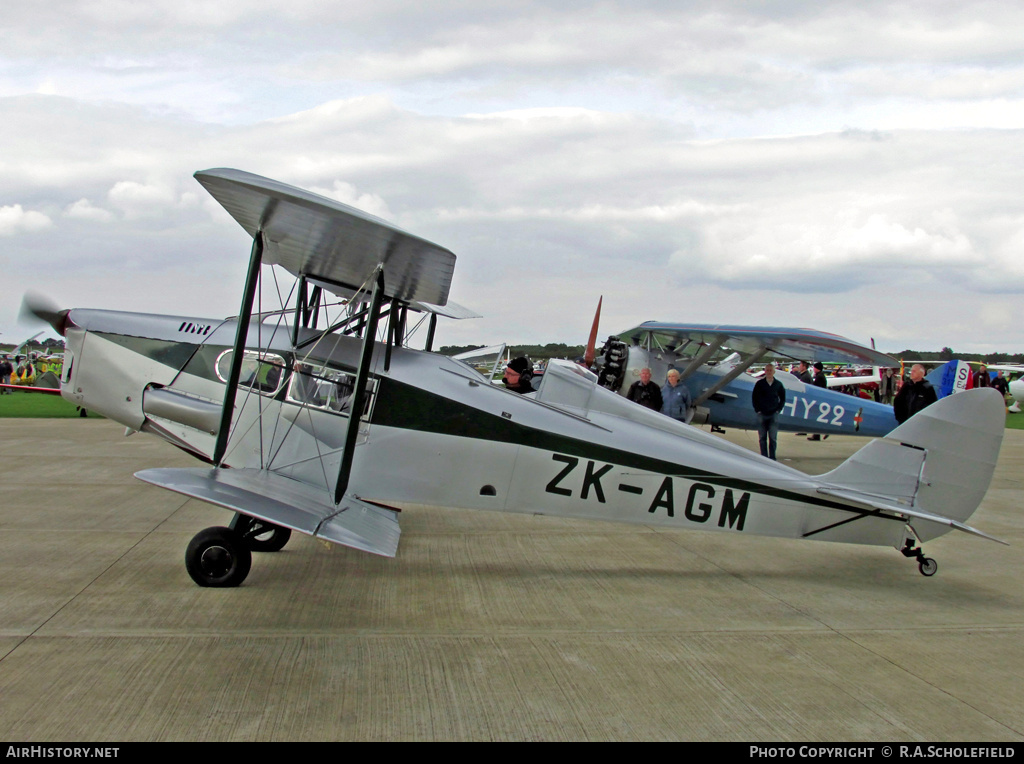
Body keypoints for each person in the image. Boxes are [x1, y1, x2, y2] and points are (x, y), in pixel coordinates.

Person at [752, 363, 786, 460]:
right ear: (765, 371)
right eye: (767, 370)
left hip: (773, 414)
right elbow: (755, 397)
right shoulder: (759, 384)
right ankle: (764, 457)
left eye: (771, 370)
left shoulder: (778, 385)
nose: (769, 372)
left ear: (774, 372)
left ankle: (772, 458)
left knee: (773, 438)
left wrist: (778, 410)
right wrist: (757, 409)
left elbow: (782, 399)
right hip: (762, 414)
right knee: (762, 438)